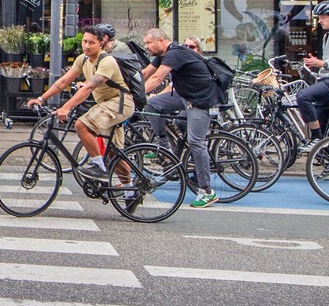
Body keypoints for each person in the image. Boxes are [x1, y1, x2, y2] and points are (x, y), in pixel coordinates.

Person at [27, 25, 135, 183]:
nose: (86, 45)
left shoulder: (107, 61)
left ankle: (98, 166)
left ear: (101, 44)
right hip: (107, 104)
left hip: (120, 103)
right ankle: (130, 192)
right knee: (113, 152)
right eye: (85, 41)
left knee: (81, 125)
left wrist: (66, 107)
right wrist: (41, 98)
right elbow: (63, 81)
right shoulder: (83, 59)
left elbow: (90, 86)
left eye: (91, 42)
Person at [140, 28, 219, 208]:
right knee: (153, 105)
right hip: (184, 95)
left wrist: (134, 96)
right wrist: (123, 86)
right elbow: (145, 74)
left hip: (200, 98)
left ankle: (206, 191)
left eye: (148, 43)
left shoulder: (174, 53)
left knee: (196, 142)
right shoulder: (162, 54)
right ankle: (164, 146)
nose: (146, 47)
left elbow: (157, 79)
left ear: (161, 40)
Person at [295, 1, 329, 153]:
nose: (319, 21)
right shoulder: (326, 37)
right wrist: (315, 66)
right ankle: (327, 161)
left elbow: (328, 65)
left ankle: (316, 138)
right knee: (322, 122)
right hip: (326, 80)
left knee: (303, 96)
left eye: (322, 17)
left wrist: (322, 64)